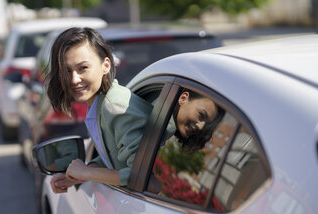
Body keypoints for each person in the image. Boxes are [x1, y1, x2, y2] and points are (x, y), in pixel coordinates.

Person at [46, 27, 224, 194]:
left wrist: (86, 173)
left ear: (105, 66)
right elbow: (116, 156)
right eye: (67, 71)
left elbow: (137, 175)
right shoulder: (101, 105)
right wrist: (77, 176)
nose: (74, 79)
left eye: (83, 68)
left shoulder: (115, 106)